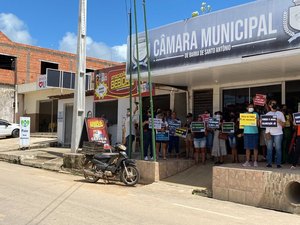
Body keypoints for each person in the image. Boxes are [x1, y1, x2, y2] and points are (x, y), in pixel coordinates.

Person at [265, 100, 286, 168]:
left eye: (275, 103)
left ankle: (278, 163)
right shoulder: (267, 114)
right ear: (269, 105)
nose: (274, 104)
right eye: (272, 103)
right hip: (269, 133)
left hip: (278, 133)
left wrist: (279, 121)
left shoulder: (280, 113)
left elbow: (284, 125)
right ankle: (269, 163)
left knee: (278, 148)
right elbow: (264, 125)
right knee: (269, 148)